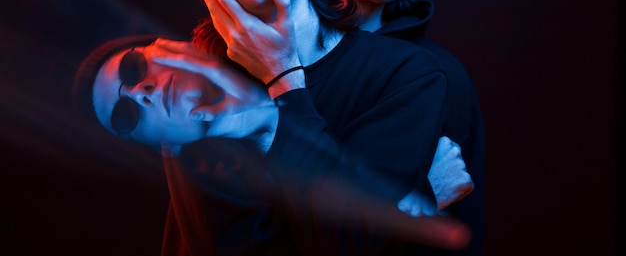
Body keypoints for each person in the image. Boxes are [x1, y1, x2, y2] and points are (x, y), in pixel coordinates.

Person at [175, 0, 472, 254]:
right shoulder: (197, 102)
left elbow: (344, 244)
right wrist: (411, 203)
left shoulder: (408, 73)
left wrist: (283, 80)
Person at [72, 35, 472, 255]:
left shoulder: (270, 62)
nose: (142, 92)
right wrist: (418, 196)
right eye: (126, 116)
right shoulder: (215, 214)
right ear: (163, 149)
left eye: (135, 66)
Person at [305, 0, 486, 255]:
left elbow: (459, 233)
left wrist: (421, 200)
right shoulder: (278, 51)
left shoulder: (439, 78)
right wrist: (418, 193)